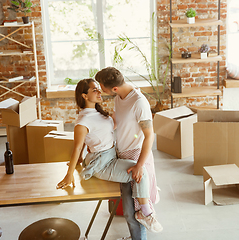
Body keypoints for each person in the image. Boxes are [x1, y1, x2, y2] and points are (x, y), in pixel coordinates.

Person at [56, 78, 162, 234]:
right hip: (101, 163)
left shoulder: (99, 113)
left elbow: (101, 131)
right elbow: (77, 147)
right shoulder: (83, 121)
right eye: (95, 90)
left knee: (140, 169)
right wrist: (69, 174)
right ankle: (145, 212)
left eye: (99, 89)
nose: (100, 92)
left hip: (113, 156)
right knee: (140, 172)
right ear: (84, 96)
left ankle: (143, 213)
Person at [95, 67, 161, 240]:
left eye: (102, 88)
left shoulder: (139, 102)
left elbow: (149, 136)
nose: (101, 91)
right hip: (122, 155)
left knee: (136, 212)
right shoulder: (119, 97)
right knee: (129, 211)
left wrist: (139, 165)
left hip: (136, 157)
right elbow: (117, 122)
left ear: (114, 88)